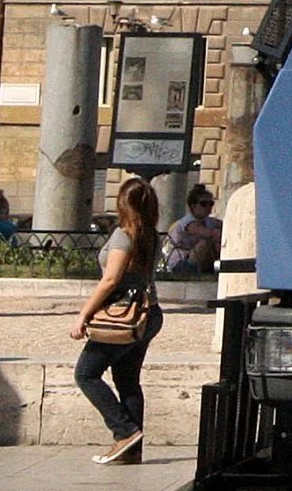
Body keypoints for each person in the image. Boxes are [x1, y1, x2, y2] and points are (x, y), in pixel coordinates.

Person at [71, 176, 164, 465]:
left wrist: (83, 314)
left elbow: (110, 279)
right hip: (148, 314)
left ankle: (124, 432)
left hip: (121, 316)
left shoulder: (124, 236)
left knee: (86, 374)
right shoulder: (152, 235)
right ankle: (131, 451)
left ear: (124, 204)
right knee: (128, 380)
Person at [163, 186, 222, 274]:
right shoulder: (188, 222)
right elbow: (208, 233)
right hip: (181, 262)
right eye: (203, 204)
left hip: (197, 259)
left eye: (211, 203)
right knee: (206, 242)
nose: (208, 207)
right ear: (193, 206)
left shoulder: (208, 221)